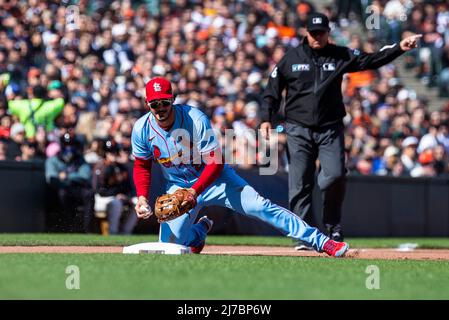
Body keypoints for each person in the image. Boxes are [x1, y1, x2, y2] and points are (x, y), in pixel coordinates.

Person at [131, 77, 349, 257]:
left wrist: (194, 192)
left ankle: (322, 242)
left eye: (164, 102)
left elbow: (215, 162)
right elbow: (142, 165)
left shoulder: (194, 119)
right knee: (170, 247)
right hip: (178, 186)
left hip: (216, 180)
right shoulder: (142, 128)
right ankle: (198, 233)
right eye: (154, 104)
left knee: (261, 207)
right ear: (146, 103)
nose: (160, 108)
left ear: (173, 99)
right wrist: (141, 197)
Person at [260, 13, 422, 245]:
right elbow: (272, 90)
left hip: (329, 127)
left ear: (328, 33)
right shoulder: (290, 58)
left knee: (335, 175)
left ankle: (332, 225)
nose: (317, 37)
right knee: (300, 182)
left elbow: (371, 60)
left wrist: (399, 48)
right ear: (306, 32)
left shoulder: (339, 55)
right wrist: (266, 118)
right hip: (298, 128)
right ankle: (302, 234)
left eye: (321, 32)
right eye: (313, 32)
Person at [45, 132, 94, 232]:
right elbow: (51, 178)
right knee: (62, 194)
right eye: (66, 144)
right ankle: (65, 227)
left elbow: (85, 176)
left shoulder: (79, 159)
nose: (69, 147)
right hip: (59, 191)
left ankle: (86, 229)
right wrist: (67, 179)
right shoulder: (53, 160)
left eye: (71, 144)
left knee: (89, 193)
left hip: (76, 189)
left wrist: (67, 176)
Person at [92, 139, 138, 235]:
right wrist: (116, 194)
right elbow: (99, 190)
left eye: (113, 152)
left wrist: (125, 196)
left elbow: (126, 186)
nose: (111, 155)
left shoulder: (121, 167)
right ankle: (113, 233)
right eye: (109, 152)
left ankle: (126, 233)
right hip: (102, 198)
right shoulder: (100, 166)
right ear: (104, 153)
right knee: (116, 203)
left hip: (117, 197)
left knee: (136, 203)